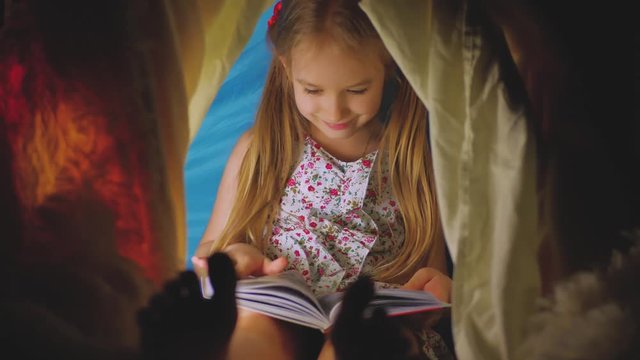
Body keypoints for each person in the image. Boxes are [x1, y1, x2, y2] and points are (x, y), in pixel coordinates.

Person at [191, 0, 453, 358]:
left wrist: (433, 299)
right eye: (313, 90)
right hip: (277, 310)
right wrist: (234, 259)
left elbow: (431, 272)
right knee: (250, 332)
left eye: (357, 90)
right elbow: (209, 253)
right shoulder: (261, 149)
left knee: (366, 345)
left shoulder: (414, 157)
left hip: (369, 320)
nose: (335, 111)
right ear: (286, 67)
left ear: (389, 67)